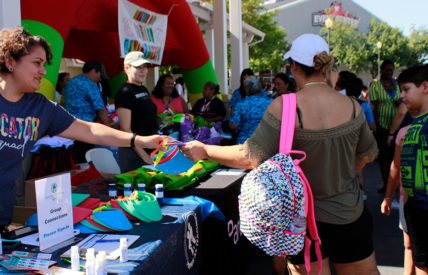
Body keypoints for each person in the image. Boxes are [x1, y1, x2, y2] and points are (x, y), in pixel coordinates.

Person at [182, 33, 379, 275]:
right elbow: (368, 154)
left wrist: (205, 150)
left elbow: (250, 156)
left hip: (301, 221)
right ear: (325, 66)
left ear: (293, 66)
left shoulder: (284, 106)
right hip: (350, 214)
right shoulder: (352, 107)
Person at [0, 27, 164, 232]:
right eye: (36, 63)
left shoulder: (40, 107)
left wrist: (138, 140)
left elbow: (88, 130)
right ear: (10, 62)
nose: (43, 71)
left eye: (44, 64)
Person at [392, 65, 428, 274]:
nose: (402, 96)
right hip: (416, 210)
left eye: (406, 89)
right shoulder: (413, 128)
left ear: (424, 86)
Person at [380, 107, 419, 275]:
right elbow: (396, 166)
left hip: (412, 200)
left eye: (406, 90)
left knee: (411, 246)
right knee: (409, 244)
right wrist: (388, 196)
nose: (403, 96)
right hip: (407, 198)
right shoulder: (404, 132)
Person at [114, 51, 159, 173]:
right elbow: (126, 130)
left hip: (149, 149)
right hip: (134, 153)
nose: (143, 71)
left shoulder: (143, 88)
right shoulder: (124, 92)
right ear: (127, 68)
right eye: (138, 67)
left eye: (144, 67)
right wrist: (143, 155)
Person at [63, 60, 111, 162]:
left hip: (68, 127)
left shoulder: (71, 82)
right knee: (86, 159)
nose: (100, 78)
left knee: (75, 160)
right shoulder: (90, 85)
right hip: (85, 128)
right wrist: (109, 130)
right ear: (94, 71)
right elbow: (101, 110)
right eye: (99, 74)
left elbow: (62, 101)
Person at [369, 59, 401, 193]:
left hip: (397, 125)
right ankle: (386, 184)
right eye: (387, 70)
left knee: (396, 156)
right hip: (382, 126)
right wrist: (377, 126)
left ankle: (396, 185)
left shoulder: (397, 84)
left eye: (391, 69)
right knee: (384, 158)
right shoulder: (375, 86)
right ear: (382, 70)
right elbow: (374, 107)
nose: (390, 72)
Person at [229, 75, 273, 144]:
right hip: (266, 143)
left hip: (245, 143)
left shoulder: (241, 104)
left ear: (247, 89)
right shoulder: (271, 102)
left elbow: (233, 126)